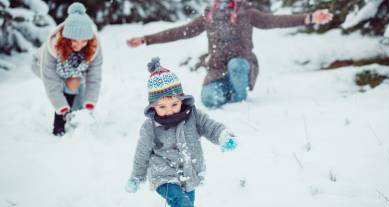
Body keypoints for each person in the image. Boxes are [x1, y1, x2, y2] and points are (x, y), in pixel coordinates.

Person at [127, 0, 333, 108]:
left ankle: (239, 102)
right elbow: (180, 32)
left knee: (237, 65)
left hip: (242, 65)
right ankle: (229, 93)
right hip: (217, 70)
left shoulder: (247, 12)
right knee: (208, 100)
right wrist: (147, 39)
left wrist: (310, 17)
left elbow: (275, 20)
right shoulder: (209, 16)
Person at [125, 58, 237, 207]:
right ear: (153, 106)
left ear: (182, 100)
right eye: (162, 107)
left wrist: (224, 136)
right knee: (180, 202)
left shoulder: (193, 115)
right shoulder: (150, 127)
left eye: (174, 104)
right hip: (163, 174)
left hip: (189, 172)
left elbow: (210, 126)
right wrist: (136, 177)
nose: (169, 110)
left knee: (187, 202)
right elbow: (142, 152)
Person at [31, 2, 103, 136]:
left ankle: (75, 114)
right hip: (40, 65)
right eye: (74, 41)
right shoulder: (53, 46)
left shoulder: (94, 47)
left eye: (83, 41)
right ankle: (59, 125)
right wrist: (61, 105)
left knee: (76, 87)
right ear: (66, 38)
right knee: (68, 86)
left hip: (72, 68)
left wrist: (90, 101)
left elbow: (94, 76)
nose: (79, 45)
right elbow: (51, 81)